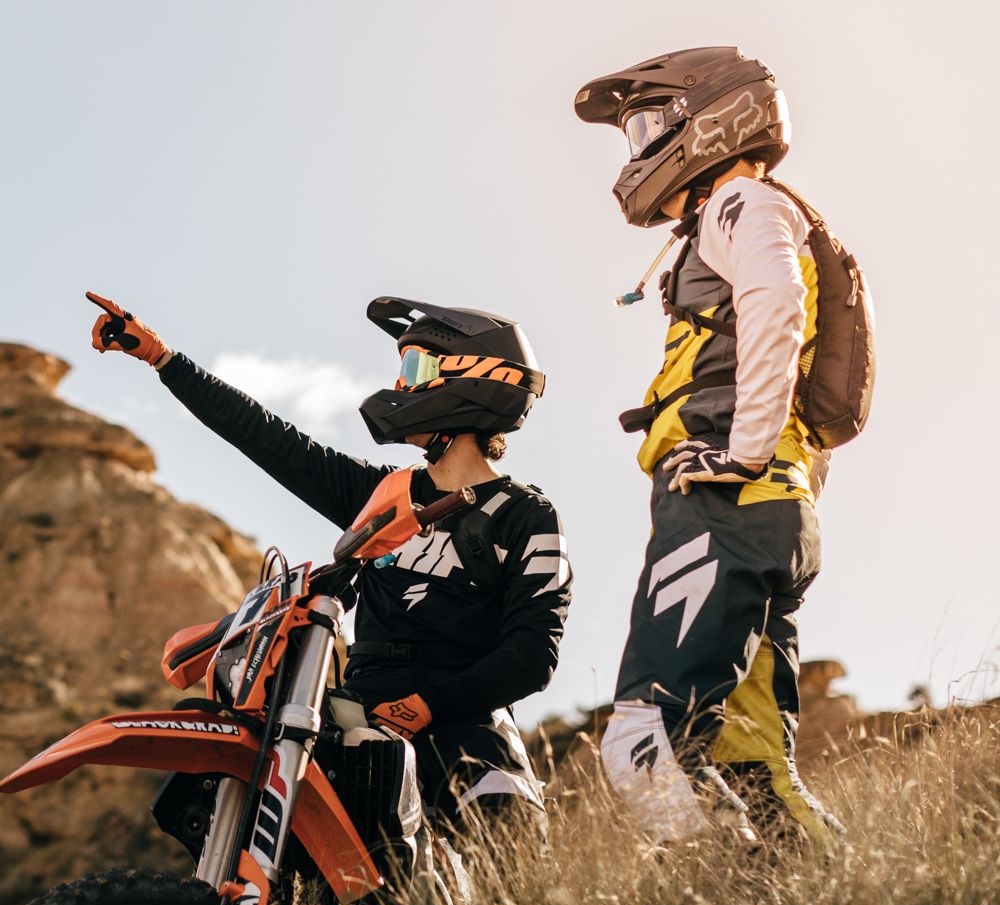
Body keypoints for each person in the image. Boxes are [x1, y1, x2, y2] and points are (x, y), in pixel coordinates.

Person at [86, 292, 571, 836]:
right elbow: (270, 439)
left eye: (418, 367)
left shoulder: (527, 514)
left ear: (476, 380)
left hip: (465, 724)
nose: (403, 384)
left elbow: (533, 654)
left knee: (514, 858)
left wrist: (427, 705)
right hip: (360, 714)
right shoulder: (382, 494)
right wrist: (162, 359)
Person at [574, 47, 846, 842]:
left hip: (727, 503)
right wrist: (776, 476)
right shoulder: (763, 210)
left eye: (645, 127)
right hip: (770, 508)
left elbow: (777, 300)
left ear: (709, 118)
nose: (637, 151)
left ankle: (710, 901)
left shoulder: (738, 201)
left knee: (643, 744)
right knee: (757, 771)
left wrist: (742, 454)